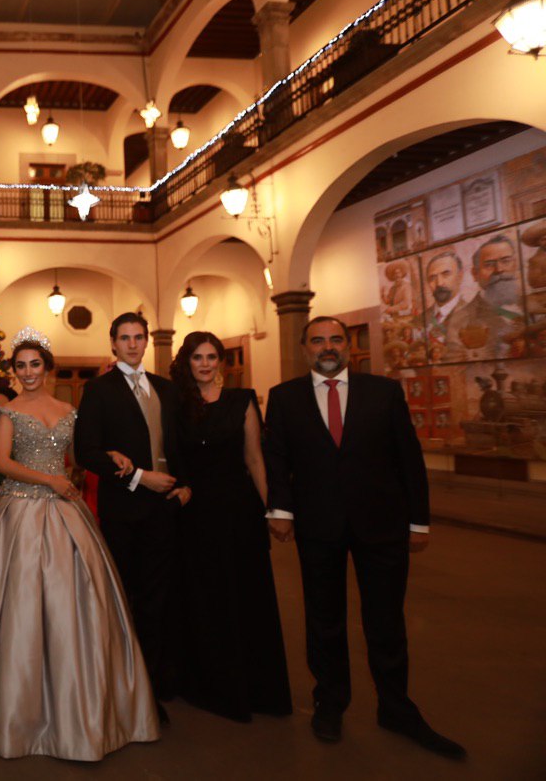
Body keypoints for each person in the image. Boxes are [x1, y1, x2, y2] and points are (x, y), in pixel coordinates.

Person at [0, 328, 159, 760]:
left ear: (47, 368)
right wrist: (51, 479)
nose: (28, 372)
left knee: (75, 604)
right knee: (17, 605)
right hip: (20, 509)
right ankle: (14, 706)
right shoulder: (7, 411)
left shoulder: (70, 409)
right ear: (13, 371)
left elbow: (82, 454)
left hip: (66, 512)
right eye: (20, 366)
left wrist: (114, 457)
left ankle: (77, 704)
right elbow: (4, 463)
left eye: (35, 365)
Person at [265, 316, 464, 758]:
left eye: (336, 339)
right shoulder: (285, 398)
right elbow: (276, 457)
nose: (328, 347)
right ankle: (330, 702)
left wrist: (419, 521)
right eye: (317, 340)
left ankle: (396, 707)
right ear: (304, 348)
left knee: (386, 620)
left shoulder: (383, 392)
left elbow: (408, 459)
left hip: (382, 525)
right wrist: (280, 510)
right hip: (318, 526)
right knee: (324, 618)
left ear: (347, 347)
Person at [168, 331, 291, 722]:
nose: (205, 364)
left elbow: (254, 459)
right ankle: (209, 684)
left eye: (211, 357)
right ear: (187, 363)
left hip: (239, 511)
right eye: (197, 358)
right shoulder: (178, 405)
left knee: (245, 595)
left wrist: (273, 508)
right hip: (194, 513)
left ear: (221, 361)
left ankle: (255, 688)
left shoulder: (242, 400)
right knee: (203, 597)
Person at [74, 311, 189, 720]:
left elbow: (180, 443)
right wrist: (141, 477)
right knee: (126, 597)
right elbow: (86, 450)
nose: (134, 344)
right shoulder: (99, 390)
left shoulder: (165, 389)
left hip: (164, 509)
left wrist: (183, 486)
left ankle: (155, 682)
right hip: (124, 509)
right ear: (113, 343)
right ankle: (126, 685)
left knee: (159, 598)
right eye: (125, 338)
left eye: (139, 337)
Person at [446, 235, 524, 360]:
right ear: (475, 274)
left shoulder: (534, 306)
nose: (499, 269)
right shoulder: (460, 319)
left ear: (515, 264)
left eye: (506, 261)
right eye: (489, 265)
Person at [422, 251, 466, 362]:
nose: (439, 283)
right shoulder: (419, 320)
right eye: (432, 278)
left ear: (460, 276)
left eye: (446, 274)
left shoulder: (475, 314)